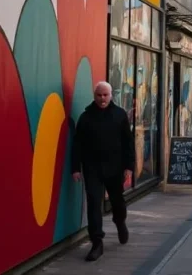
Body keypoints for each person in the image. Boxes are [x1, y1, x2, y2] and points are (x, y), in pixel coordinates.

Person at [71, 82, 136, 262]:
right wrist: (75, 168)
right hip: (92, 168)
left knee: (118, 202)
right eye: (99, 95)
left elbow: (128, 143)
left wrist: (129, 166)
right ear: (95, 96)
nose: (102, 99)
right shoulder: (85, 118)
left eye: (105, 95)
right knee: (93, 203)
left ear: (110, 96)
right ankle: (97, 242)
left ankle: (120, 221)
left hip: (115, 168)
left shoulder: (119, 115)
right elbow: (77, 145)